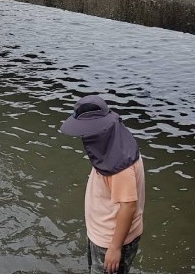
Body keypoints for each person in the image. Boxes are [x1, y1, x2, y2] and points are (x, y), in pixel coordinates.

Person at [59, 95, 145, 274]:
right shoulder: (115, 140)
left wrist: (114, 248)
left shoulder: (120, 165)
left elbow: (128, 206)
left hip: (111, 240)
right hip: (100, 234)